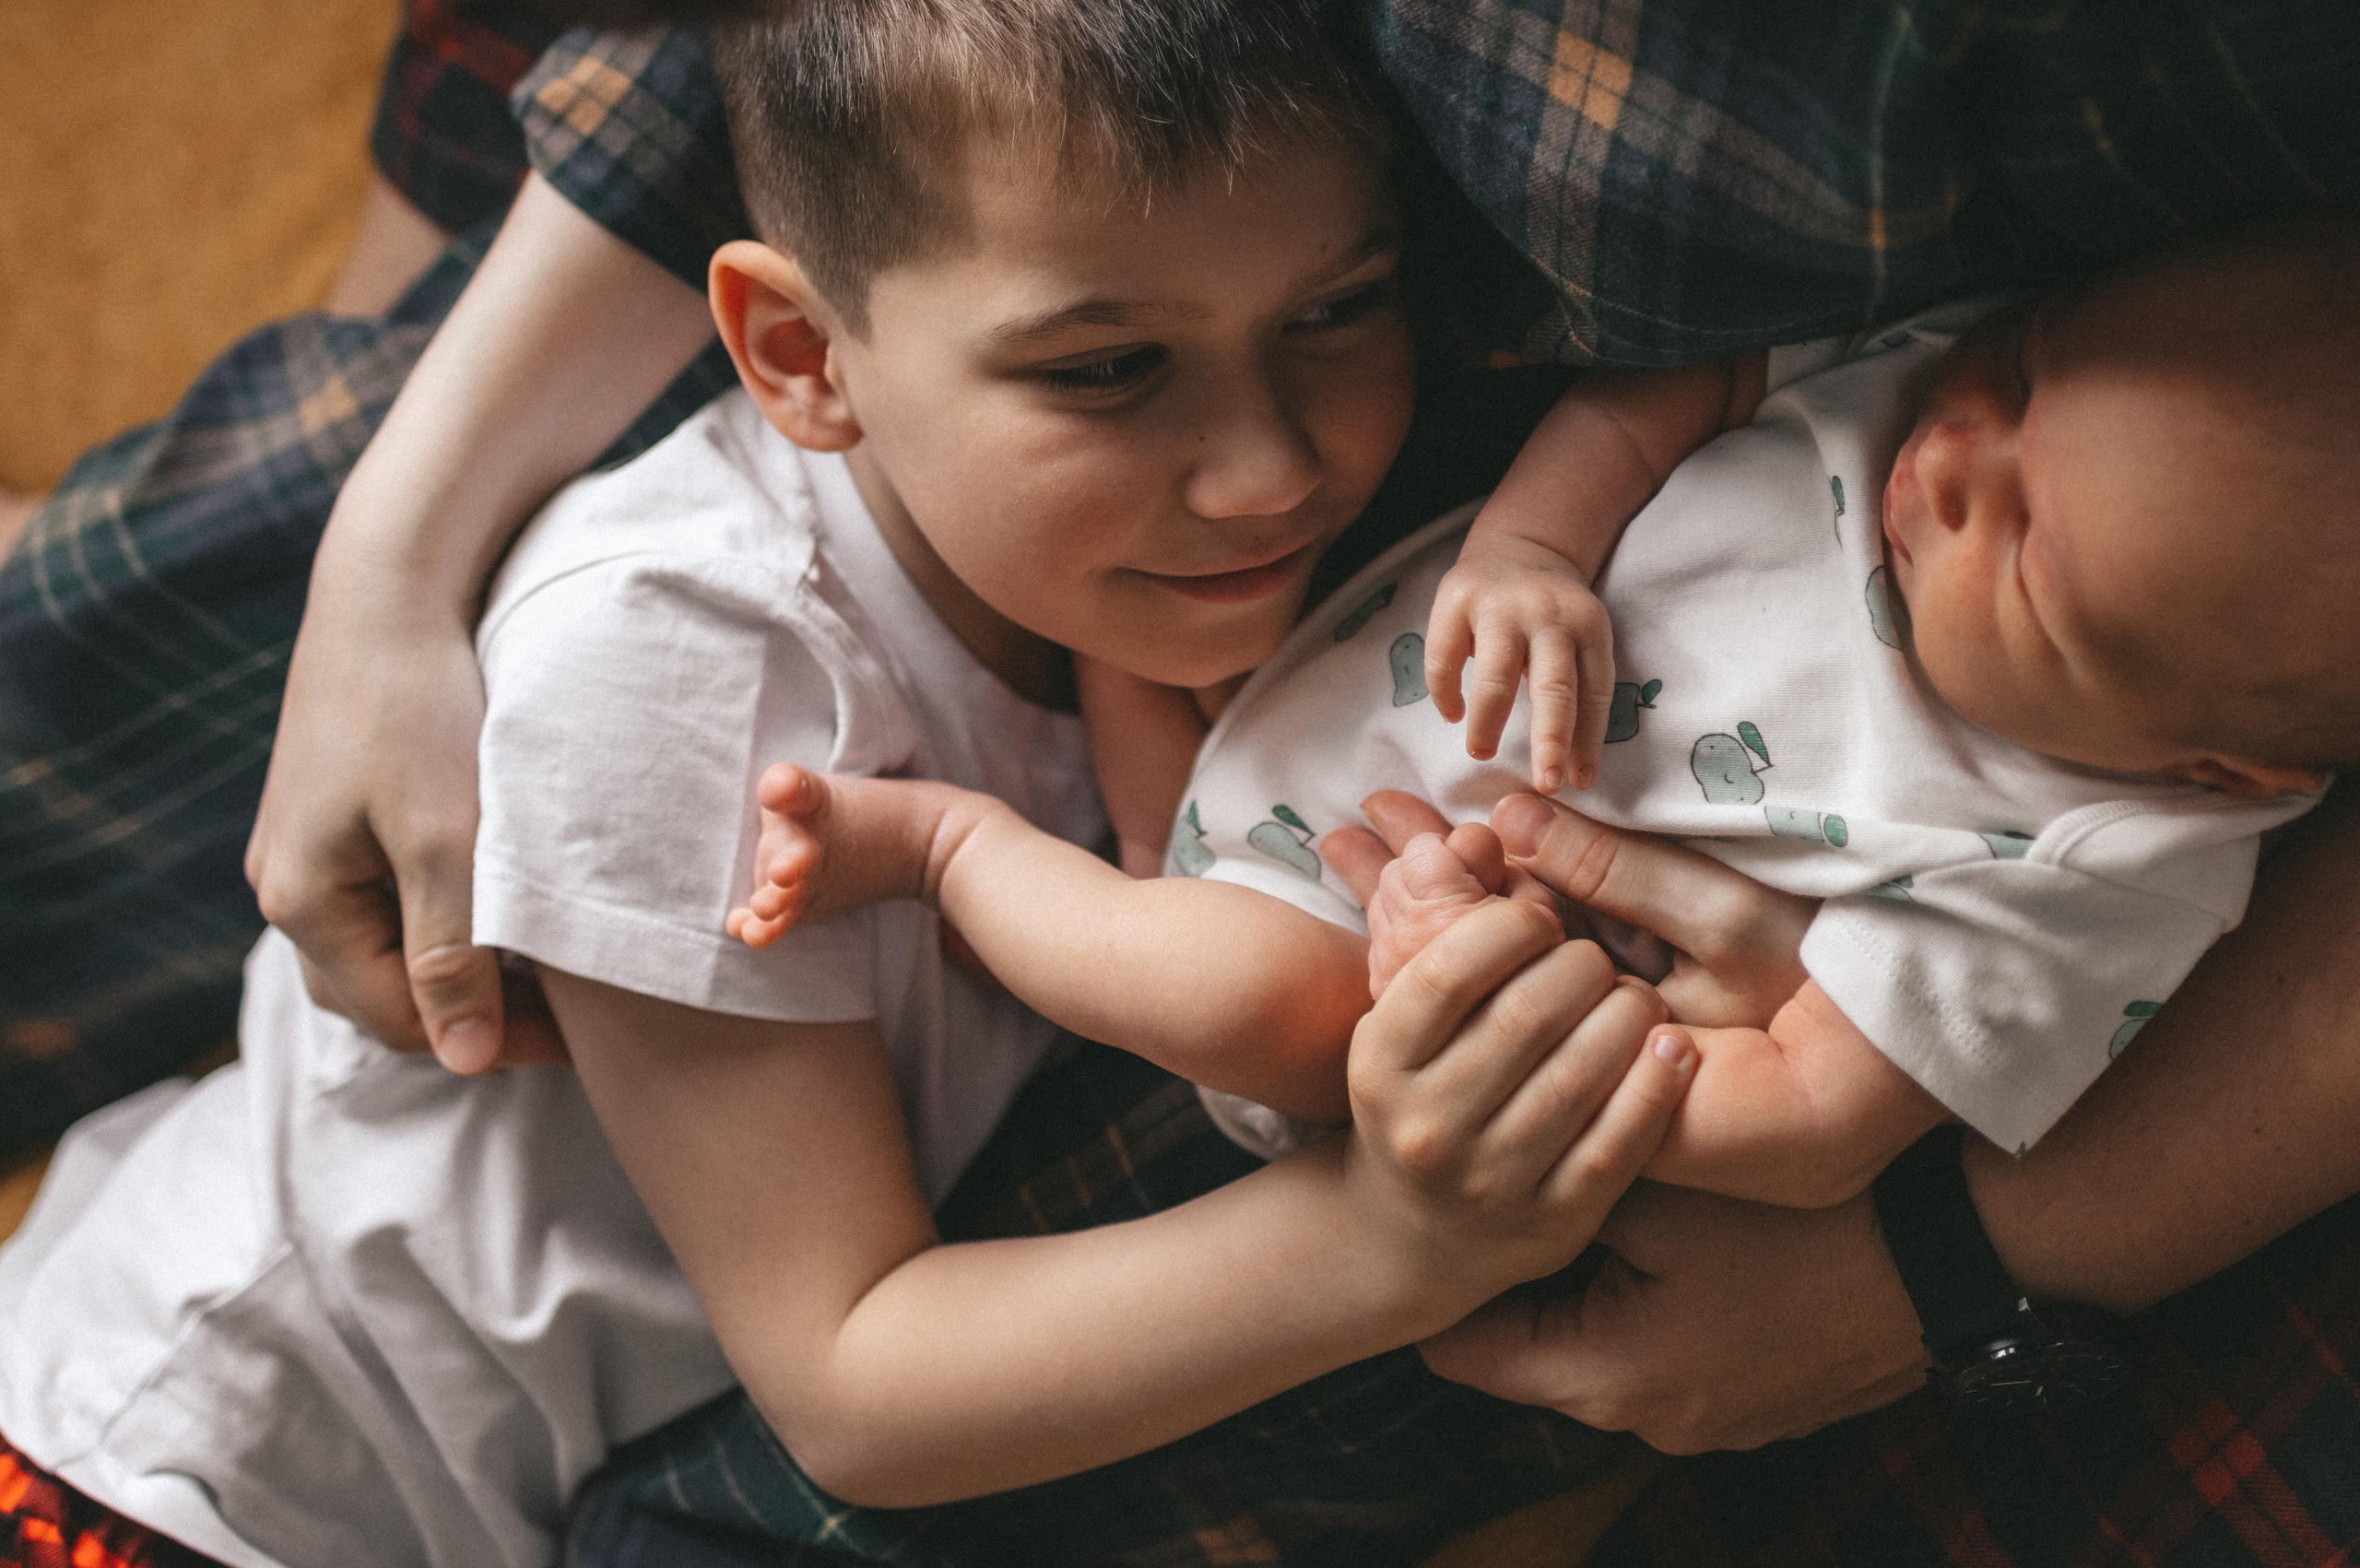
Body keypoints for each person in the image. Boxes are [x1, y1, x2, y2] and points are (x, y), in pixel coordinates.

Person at [7, 1, 2356, 1567]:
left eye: (1338, 315)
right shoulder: (668, 677)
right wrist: (1410, 1234)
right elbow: (857, 1387)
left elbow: (1193, 852)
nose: (1272, 471)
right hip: (187, 1463)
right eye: (1108, 369)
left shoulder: (1126, 580)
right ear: (801, 356)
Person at [729, 223, 2349, 1222]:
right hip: (1288, 670)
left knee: (1214, 982)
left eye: (2030, 555)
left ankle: (946, 855)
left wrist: (1493, 1002)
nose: (1948, 459)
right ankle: (1105, 828)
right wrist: (1532, 548)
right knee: (1153, 595)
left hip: (1329, 951)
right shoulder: (1991, 379)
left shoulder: (2101, 870)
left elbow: (1811, 1126)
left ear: (2215, 768)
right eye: (2022, 375)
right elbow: (1686, 388)